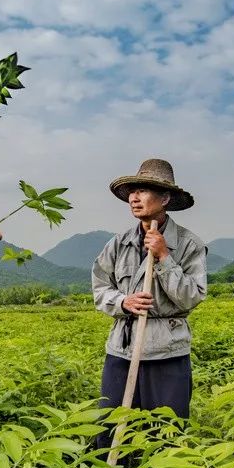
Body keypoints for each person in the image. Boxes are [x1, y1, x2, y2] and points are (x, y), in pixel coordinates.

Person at [91, 159, 207, 449]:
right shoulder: (118, 243)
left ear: (165, 198)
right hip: (123, 348)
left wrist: (165, 257)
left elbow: (192, 296)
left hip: (167, 351)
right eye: (133, 191)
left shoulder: (189, 244)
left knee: (166, 431)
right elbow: (100, 288)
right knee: (111, 424)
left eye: (143, 190)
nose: (134, 197)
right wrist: (123, 301)